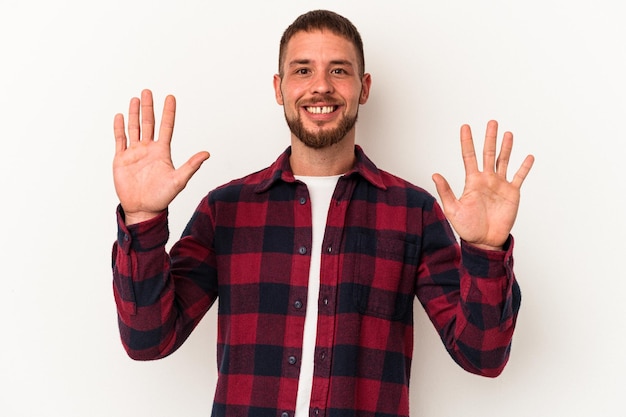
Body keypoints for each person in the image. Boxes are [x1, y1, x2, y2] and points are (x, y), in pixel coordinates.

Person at [111, 9, 534, 417]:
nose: (321, 87)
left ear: (363, 87)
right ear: (278, 88)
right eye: (302, 70)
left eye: (338, 70)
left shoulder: (413, 212)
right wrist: (142, 221)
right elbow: (148, 338)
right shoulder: (227, 210)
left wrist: (484, 250)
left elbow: (484, 355)